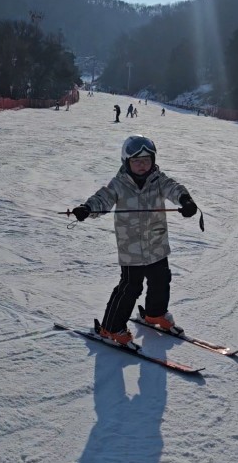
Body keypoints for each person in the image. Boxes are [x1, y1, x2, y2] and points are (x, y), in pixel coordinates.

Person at [72, 135, 198, 347]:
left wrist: (186, 201)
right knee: (130, 287)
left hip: (157, 244)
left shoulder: (159, 180)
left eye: (146, 160)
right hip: (132, 249)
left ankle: (155, 313)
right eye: (136, 161)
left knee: (161, 280)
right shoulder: (119, 184)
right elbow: (103, 198)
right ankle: (111, 327)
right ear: (126, 162)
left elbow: (174, 188)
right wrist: (87, 208)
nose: (142, 165)